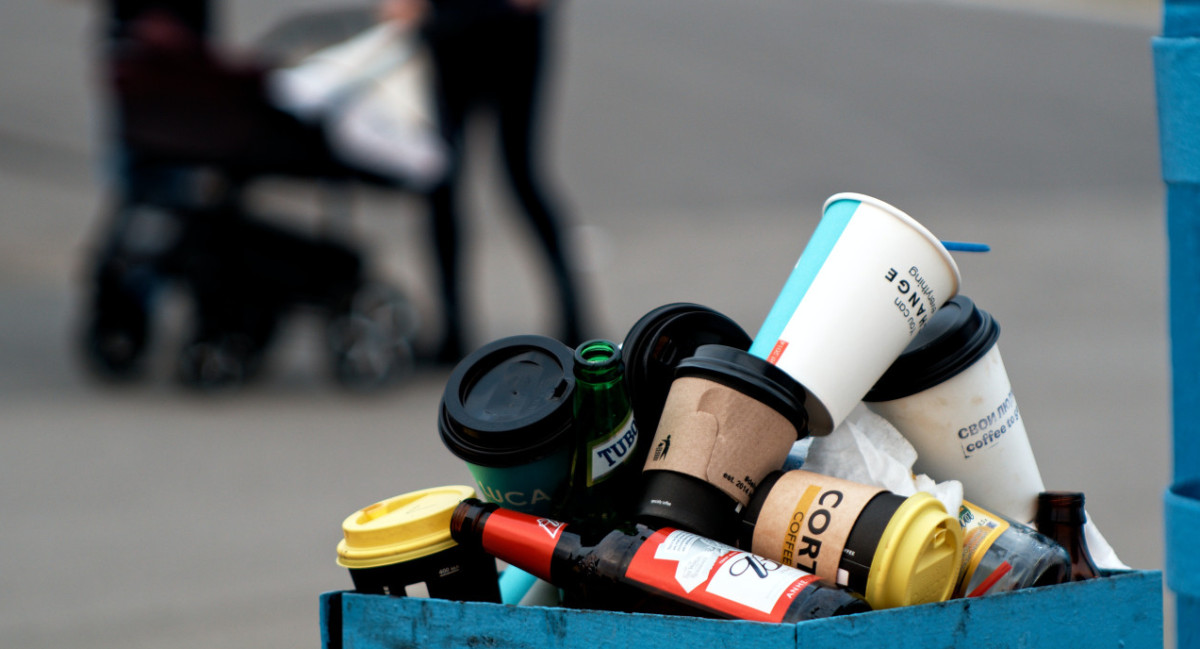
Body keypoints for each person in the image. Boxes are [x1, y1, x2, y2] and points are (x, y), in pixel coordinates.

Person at [380, 0, 588, 363]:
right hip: (447, 28)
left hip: (510, 27)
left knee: (521, 176)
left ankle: (574, 318)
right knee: (439, 180)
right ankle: (452, 329)